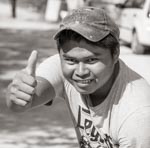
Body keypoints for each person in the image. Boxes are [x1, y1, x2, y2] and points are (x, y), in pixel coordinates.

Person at [6, 7, 150, 148]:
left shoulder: (137, 115)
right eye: (70, 60)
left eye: (91, 60)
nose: (80, 72)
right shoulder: (61, 66)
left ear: (115, 53)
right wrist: (17, 92)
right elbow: (22, 103)